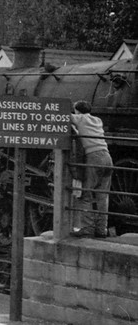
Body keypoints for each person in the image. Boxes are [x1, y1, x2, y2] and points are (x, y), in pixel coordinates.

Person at [70, 101, 113, 237]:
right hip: (107, 157)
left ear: (77, 111)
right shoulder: (97, 120)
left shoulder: (80, 118)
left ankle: (87, 228)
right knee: (102, 196)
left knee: (85, 194)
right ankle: (102, 229)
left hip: (93, 157)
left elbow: (63, 115)